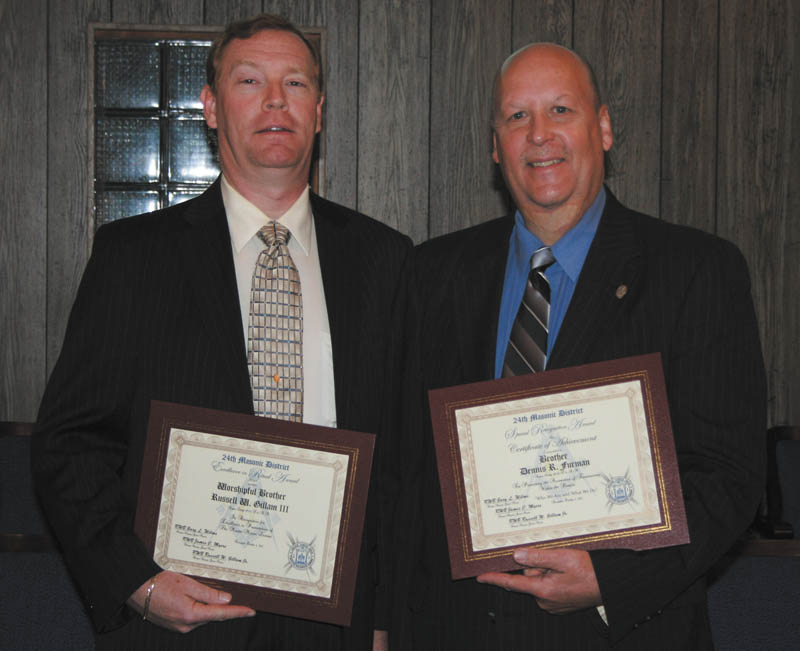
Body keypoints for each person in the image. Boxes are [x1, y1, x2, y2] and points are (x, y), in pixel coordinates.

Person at [32, 13, 411, 650]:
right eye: (249, 81)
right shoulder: (134, 258)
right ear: (210, 107)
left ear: (318, 111)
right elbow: (68, 444)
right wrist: (138, 584)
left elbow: (404, 460)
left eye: (294, 84)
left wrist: (388, 619)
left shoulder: (385, 261)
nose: (274, 101)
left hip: (337, 621)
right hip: (183, 617)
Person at [391, 43, 765, 649]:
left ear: (604, 127)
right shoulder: (433, 275)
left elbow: (729, 477)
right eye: (517, 117)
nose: (539, 135)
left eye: (561, 109)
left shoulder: (697, 271)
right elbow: (405, 473)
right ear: (495, 146)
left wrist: (609, 576)